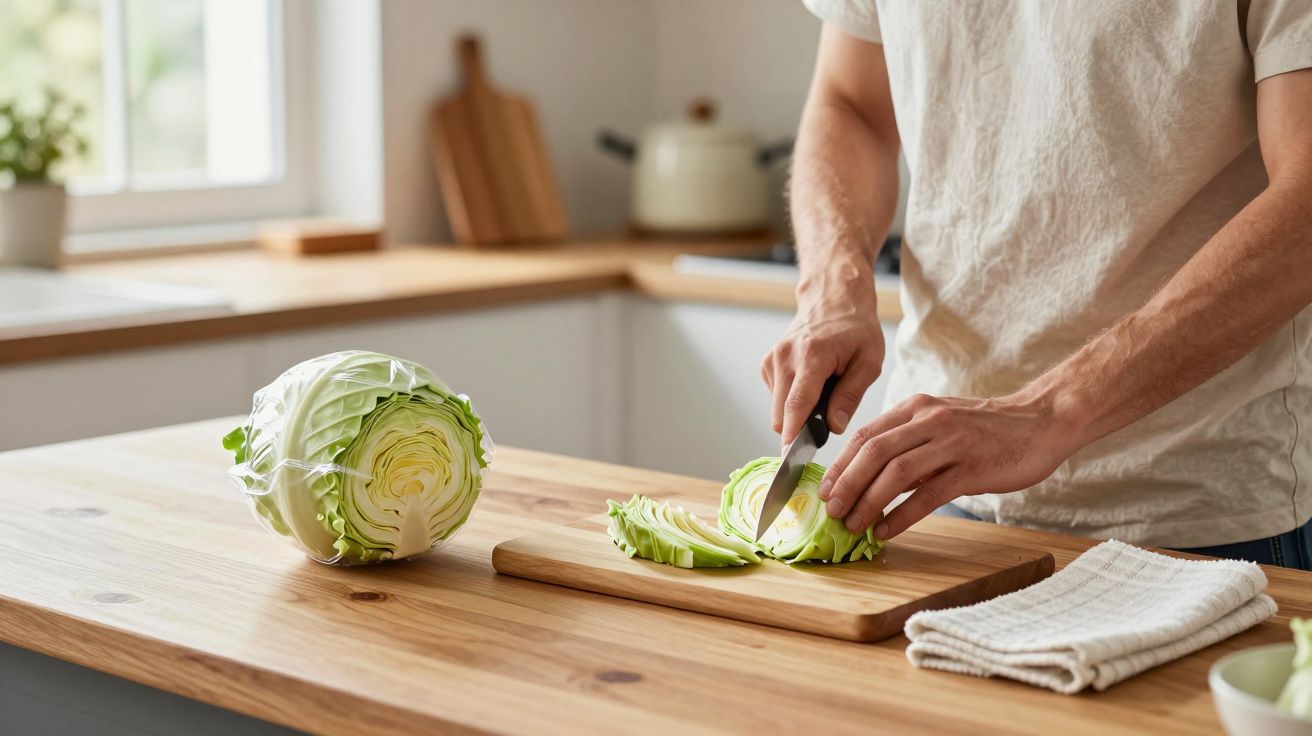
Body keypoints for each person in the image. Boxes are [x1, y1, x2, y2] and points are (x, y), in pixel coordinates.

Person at [764, 1, 1312, 569]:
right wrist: (834, 285)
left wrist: (1049, 412)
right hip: (935, 490)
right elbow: (852, 103)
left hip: (1194, 512)